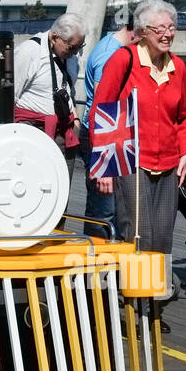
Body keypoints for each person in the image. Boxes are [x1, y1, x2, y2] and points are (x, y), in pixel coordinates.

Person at [90, 0, 186, 261]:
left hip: (168, 164)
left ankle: (156, 296)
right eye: (160, 29)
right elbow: (102, 113)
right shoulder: (123, 59)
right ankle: (135, 298)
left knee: (163, 237)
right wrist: (105, 168)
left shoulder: (177, 67)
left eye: (171, 27)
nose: (167, 34)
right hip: (131, 162)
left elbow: (181, 117)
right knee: (138, 234)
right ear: (143, 31)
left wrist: (185, 154)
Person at [80, 19, 139, 232]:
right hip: (103, 135)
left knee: (104, 205)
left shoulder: (110, 46)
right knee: (105, 207)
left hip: (105, 133)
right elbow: (103, 102)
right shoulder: (110, 56)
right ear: (135, 31)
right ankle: (99, 260)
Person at [13, 13, 86, 163]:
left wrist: (76, 121)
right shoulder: (29, 52)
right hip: (32, 132)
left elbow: (68, 92)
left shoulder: (71, 57)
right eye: (72, 48)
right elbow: (9, 97)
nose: (75, 53)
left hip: (66, 131)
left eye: (80, 47)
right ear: (54, 38)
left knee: (64, 185)